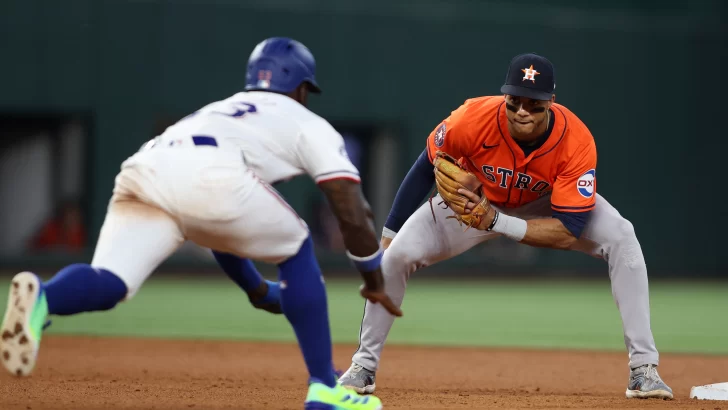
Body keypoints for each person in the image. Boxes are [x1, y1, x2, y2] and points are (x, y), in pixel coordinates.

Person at [1, 37, 401, 410]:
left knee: (110, 281)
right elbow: (349, 205)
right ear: (301, 88)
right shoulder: (307, 123)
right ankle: (325, 389)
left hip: (148, 167)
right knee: (296, 244)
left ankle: (44, 297)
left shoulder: (218, 109)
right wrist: (372, 275)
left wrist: (258, 290)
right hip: (212, 176)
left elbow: (218, 225)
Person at [338, 53, 673, 400]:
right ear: (505, 96)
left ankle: (643, 369)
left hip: (546, 206)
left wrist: (498, 222)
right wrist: (389, 235)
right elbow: (426, 165)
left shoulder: (576, 140)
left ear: (551, 103)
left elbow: (569, 229)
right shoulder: (473, 118)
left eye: (534, 103)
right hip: (472, 203)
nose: (522, 111)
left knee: (622, 236)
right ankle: (363, 366)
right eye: (515, 101)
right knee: (393, 259)